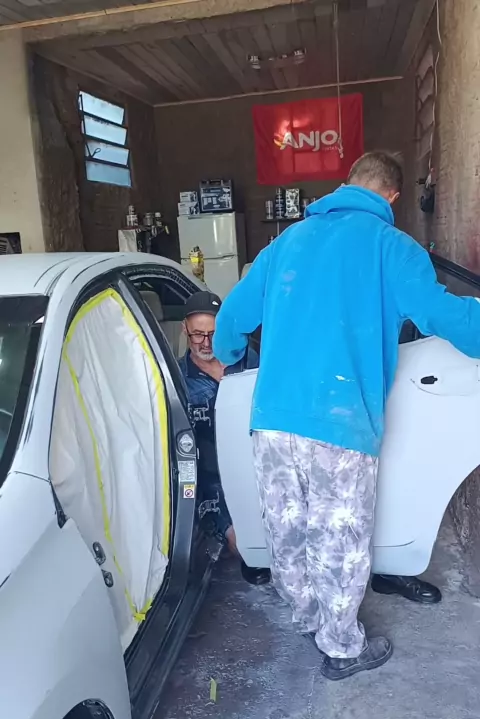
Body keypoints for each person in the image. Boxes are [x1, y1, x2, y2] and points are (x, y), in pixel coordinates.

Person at [213, 151, 480, 681]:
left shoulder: (285, 243)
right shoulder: (392, 246)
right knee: (340, 538)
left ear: (348, 183)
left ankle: (306, 617)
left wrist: (226, 354)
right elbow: (441, 313)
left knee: (287, 527)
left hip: (272, 419)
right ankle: (341, 647)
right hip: (340, 423)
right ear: (392, 196)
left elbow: (233, 316)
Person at [178, 290, 270, 586]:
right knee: (245, 546)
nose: (206, 343)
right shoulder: (178, 380)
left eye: (213, 334)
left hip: (259, 462)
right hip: (213, 477)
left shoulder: (247, 360)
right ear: (184, 329)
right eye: (198, 335)